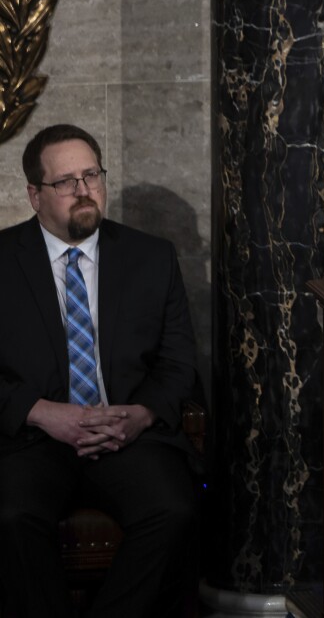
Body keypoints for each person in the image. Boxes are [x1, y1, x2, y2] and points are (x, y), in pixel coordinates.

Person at [0, 124, 199, 617]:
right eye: (65, 181)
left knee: (176, 509)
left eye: (92, 174)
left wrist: (142, 415)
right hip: (33, 440)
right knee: (10, 516)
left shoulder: (151, 258)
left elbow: (178, 361)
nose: (84, 190)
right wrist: (42, 412)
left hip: (126, 437)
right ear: (34, 195)